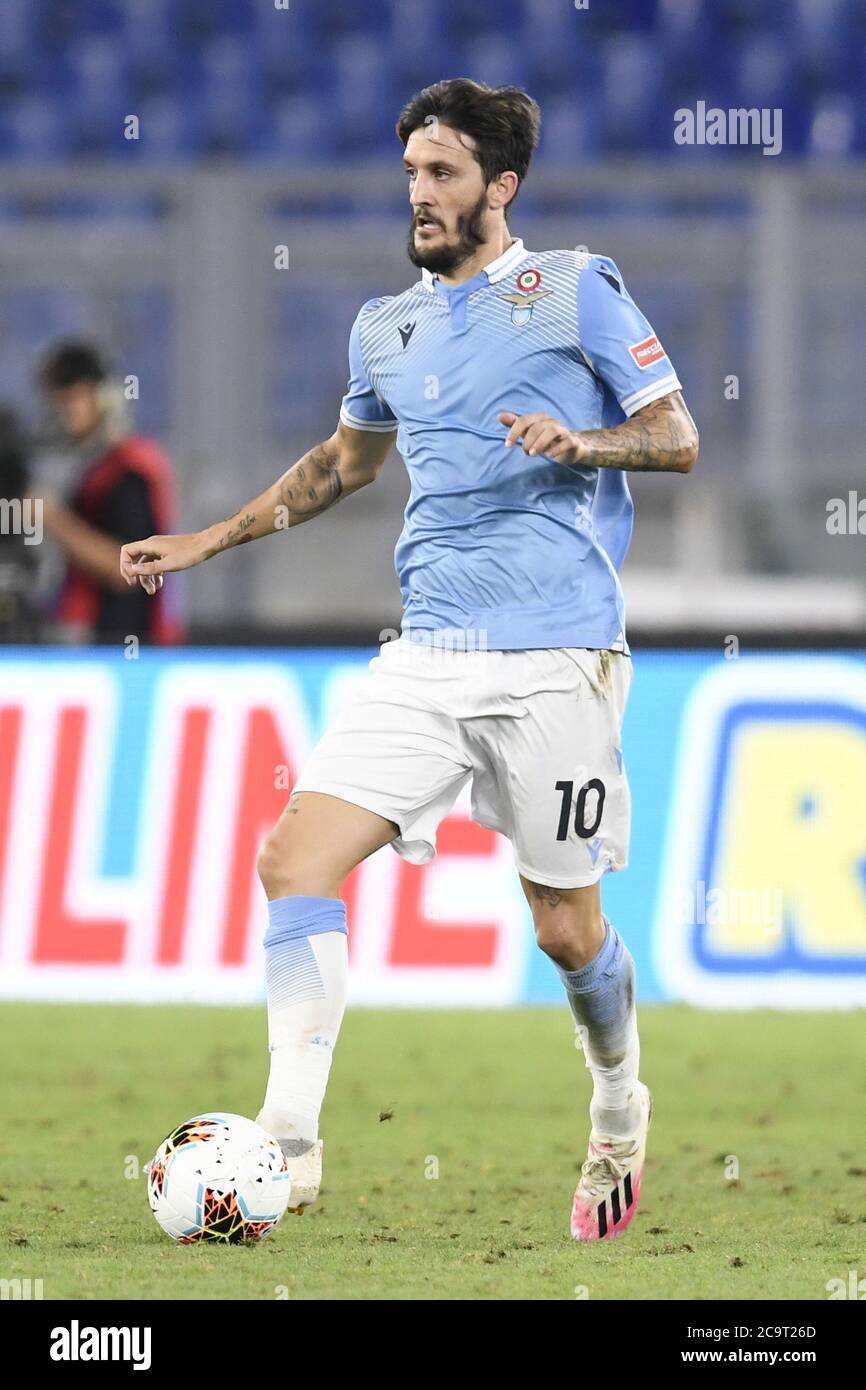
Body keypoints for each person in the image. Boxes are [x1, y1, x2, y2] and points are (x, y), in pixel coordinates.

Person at [120, 79, 698, 1241]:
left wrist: (580, 439)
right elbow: (342, 465)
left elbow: (675, 434)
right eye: (410, 176)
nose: (420, 197)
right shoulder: (384, 326)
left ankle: (618, 1103)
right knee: (293, 859)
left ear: (500, 187)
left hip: (554, 656)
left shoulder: (576, 287)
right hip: (425, 652)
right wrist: (211, 538)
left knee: (565, 931)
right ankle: (287, 1141)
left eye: (441, 176)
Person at [36, 339, 183, 645]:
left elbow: (128, 568)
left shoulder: (128, 470)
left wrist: (50, 517)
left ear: (100, 398)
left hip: (125, 643)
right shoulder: (92, 469)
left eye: (72, 400)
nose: (63, 413)